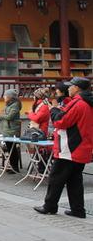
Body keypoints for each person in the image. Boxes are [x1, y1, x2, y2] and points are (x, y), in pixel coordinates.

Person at [34, 77, 93, 218]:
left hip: (70, 147)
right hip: (81, 146)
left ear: (77, 88)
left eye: (71, 86)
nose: (69, 89)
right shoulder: (87, 102)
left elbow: (61, 121)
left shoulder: (79, 103)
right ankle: (78, 210)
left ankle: (50, 206)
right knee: (74, 180)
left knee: (56, 178)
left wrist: (53, 109)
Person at [0, 89, 22, 173]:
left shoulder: (15, 105)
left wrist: (2, 115)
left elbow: (10, 117)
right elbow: (6, 115)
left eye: (5, 96)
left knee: (13, 149)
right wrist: (3, 115)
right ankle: (12, 166)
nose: (4, 97)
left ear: (10, 97)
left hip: (12, 131)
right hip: (7, 130)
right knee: (9, 149)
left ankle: (15, 167)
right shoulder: (8, 105)